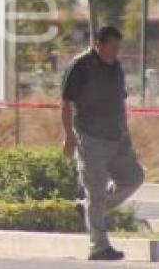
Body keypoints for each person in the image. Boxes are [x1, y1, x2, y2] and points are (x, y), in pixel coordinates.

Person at [62, 25, 144, 262]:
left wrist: (125, 132)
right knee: (96, 193)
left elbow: (120, 101)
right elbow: (66, 103)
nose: (116, 52)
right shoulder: (81, 66)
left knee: (133, 179)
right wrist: (68, 136)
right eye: (112, 47)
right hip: (91, 139)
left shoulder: (116, 67)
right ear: (98, 44)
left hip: (118, 138)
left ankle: (89, 207)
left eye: (119, 48)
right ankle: (99, 247)